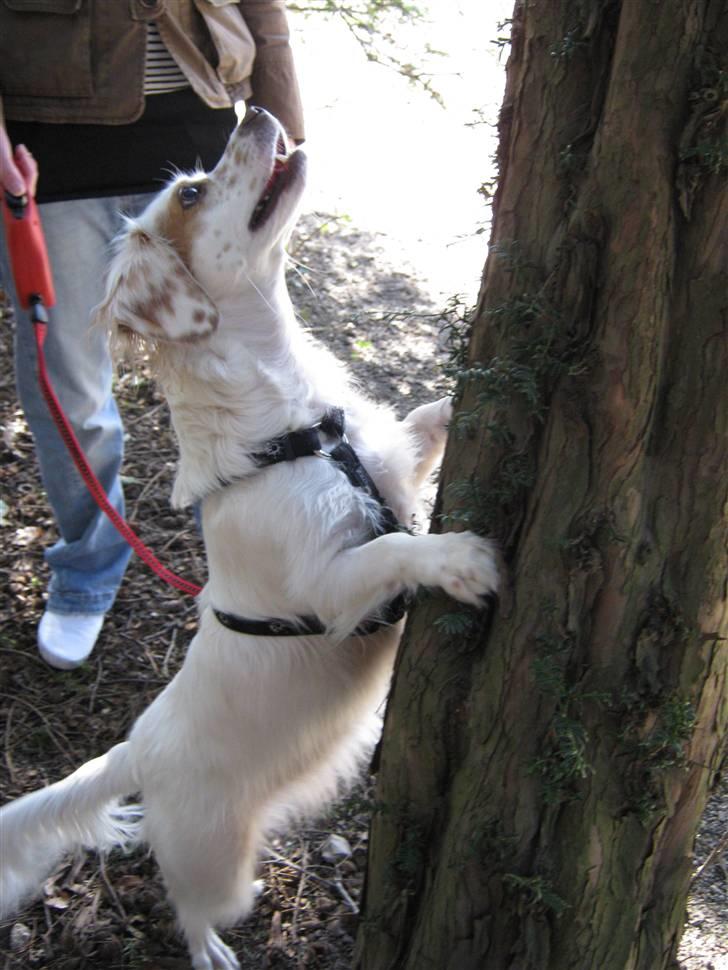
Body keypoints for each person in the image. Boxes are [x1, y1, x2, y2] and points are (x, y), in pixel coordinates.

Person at [0, 1, 304, 670]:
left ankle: (245, 580)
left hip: (201, 112)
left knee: (237, 380)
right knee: (69, 382)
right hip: (48, 148)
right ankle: (86, 572)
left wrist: (288, 122)